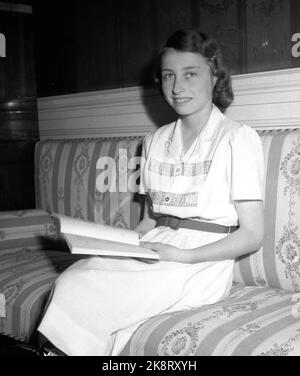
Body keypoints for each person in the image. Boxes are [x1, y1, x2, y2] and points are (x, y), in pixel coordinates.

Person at [38, 28, 265, 356]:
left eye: (191, 74)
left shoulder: (237, 138)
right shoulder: (155, 141)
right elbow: (148, 222)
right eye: (168, 75)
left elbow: (252, 235)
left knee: (87, 290)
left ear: (215, 75)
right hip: (157, 247)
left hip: (202, 262)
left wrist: (182, 255)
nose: (177, 87)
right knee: (76, 276)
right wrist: (117, 245)